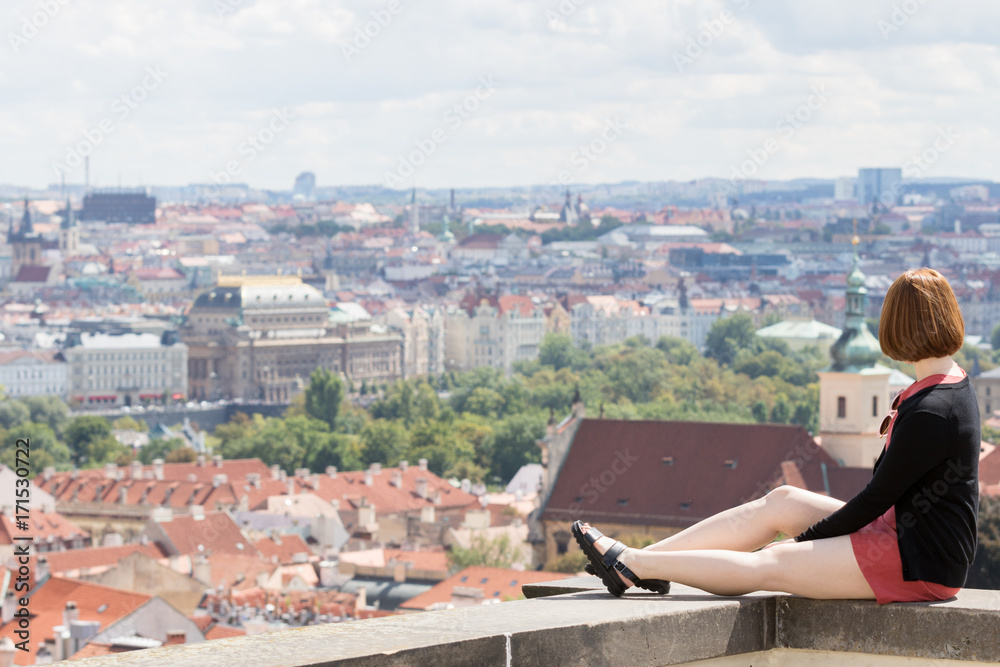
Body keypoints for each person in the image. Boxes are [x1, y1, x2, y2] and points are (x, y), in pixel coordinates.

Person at [575, 268, 980, 602]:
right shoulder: (950, 385)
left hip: (919, 562)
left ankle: (635, 564)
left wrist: (803, 543)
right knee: (781, 500)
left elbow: (875, 500)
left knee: (770, 564)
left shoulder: (931, 410)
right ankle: (639, 561)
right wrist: (810, 540)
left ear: (895, 327)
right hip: (908, 537)